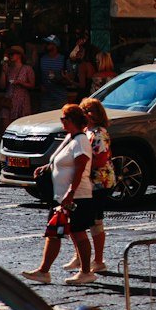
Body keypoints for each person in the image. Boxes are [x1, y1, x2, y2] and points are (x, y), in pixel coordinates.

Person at [22, 103, 97, 285]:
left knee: (78, 233)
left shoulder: (80, 141)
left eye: (63, 118)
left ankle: (86, 272)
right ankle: (43, 271)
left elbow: (80, 168)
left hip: (76, 196)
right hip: (60, 196)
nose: (61, 121)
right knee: (54, 233)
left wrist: (71, 192)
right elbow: (60, 161)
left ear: (70, 120)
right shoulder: (69, 138)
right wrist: (46, 167)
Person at [65, 97, 114, 275]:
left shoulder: (99, 133)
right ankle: (80, 256)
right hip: (88, 182)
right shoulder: (85, 132)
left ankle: (98, 260)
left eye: (92, 111)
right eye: (86, 111)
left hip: (99, 183)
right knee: (78, 221)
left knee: (94, 221)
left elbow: (100, 159)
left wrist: (80, 166)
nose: (89, 114)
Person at [0, 44, 36, 124]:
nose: (10, 56)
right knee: (6, 126)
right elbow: (2, 86)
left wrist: (20, 82)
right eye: (10, 54)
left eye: (13, 54)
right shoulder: (8, 69)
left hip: (22, 100)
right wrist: (3, 72)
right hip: (9, 100)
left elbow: (32, 85)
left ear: (19, 55)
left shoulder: (27, 69)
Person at [37, 36, 70, 111]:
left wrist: (59, 79)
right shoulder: (41, 59)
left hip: (60, 98)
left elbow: (69, 79)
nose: (46, 45)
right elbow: (37, 75)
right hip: (45, 99)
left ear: (55, 45)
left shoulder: (64, 60)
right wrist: (40, 85)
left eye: (48, 43)